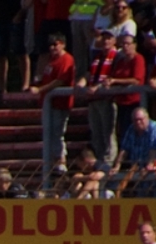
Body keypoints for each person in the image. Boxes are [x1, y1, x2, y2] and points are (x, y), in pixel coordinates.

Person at [30, 33, 75, 176]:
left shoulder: (66, 59)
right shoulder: (51, 60)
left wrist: (40, 89)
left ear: (63, 44)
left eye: (55, 44)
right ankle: (50, 164)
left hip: (60, 103)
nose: (52, 47)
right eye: (50, 45)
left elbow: (60, 81)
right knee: (49, 135)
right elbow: (45, 78)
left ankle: (60, 164)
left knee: (58, 135)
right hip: (49, 104)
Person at [77, 29, 119, 166]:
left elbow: (114, 77)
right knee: (96, 133)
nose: (106, 41)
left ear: (114, 41)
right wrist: (82, 82)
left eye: (109, 38)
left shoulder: (117, 56)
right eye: (104, 38)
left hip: (107, 99)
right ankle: (99, 162)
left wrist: (97, 87)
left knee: (108, 134)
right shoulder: (97, 57)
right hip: (93, 100)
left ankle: (109, 163)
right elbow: (90, 73)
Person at [108, 107, 156, 196]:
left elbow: (155, 150)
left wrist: (149, 165)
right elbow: (124, 150)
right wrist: (117, 166)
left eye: (140, 119)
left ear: (147, 118)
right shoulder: (131, 129)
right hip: (139, 172)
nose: (138, 122)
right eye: (135, 120)